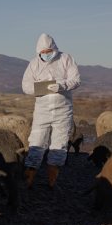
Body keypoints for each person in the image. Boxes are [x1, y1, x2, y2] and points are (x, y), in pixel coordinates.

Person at [21, 33, 80, 189]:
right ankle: (29, 179)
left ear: (54, 48)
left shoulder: (66, 59)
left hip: (63, 110)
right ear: (38, 51)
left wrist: (62, 85)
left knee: (59, 145)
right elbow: (25, 86)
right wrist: (40, 87)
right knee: (36, 142)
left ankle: (52, 181)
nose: (46, 54)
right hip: (42, 111)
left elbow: (76, 80)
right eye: (43, 52)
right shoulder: (34, 64)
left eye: (49, 51)